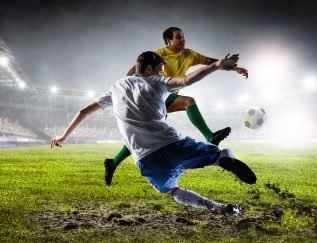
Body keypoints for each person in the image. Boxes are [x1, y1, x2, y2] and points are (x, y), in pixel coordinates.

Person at [51, 51, 256, 216]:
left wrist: (63, 137)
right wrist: (217, 65)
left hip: (144, 158)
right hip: (171, 143)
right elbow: (186, 80)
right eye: (160, 69)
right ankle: (225, 161)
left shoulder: (115, 88)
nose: (162, 73)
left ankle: (219, 209)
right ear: (149, 69)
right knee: (221, 153)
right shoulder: (156, 82)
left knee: (171, 190)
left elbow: (83, 112)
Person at [105, 27, 249, 186]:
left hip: (164, 99)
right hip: (154, 97)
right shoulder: (158, 55)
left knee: (143, 136)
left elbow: (211, 62)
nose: (183, 39)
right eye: (178, 37)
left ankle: (113, 163)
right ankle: (210, 136)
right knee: (188, 102)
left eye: (183, 36)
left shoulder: (189, 54)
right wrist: (130, 93)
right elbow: (133, 73)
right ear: (169, 41)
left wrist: (234, 68)